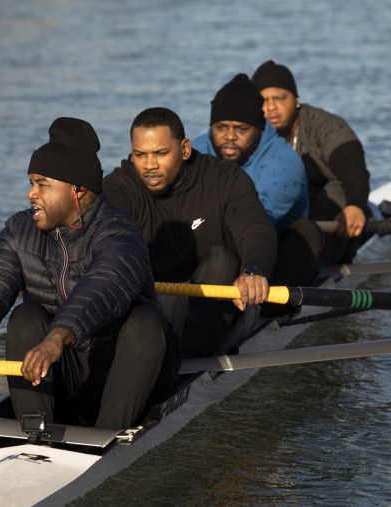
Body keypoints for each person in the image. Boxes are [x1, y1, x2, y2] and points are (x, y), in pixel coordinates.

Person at [0, 117, 178, 431]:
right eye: (31, 183)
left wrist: (57, 336)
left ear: (77, 189)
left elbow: (102, 284)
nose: (30, 194)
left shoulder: (119, 232)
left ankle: (106, 439)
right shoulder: (19, 230)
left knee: (147, 323)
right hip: (64, 369)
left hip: (126, 374)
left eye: (42, 184)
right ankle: (34, 435)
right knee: (25, 317)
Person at [103, 107, 276, 358]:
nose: (150, 165)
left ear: (184, 149)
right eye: (140, 155)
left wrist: (254, 271)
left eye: (160, 153)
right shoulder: (118, 188)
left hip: (218, 300)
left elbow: (256, 229)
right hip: (152, 303)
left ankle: (186, 365)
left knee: (221, 260)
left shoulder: (226, 179)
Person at [191, 73, 323, 286]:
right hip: (213, 253)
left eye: (241, 129)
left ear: (259, 129)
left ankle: (275, 311)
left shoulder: (284, 162)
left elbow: (252, 220)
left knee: (306, 232)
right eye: (221, 127)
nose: (230, 136)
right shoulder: (195, 151)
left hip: (272, 261)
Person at [252, 60, 371, 266]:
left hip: (330, 213)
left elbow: (352, 164)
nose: (271, 107)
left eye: (280, 98)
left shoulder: (325, 125)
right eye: (263, 100)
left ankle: (316, 266)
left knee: (337, 191)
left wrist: (355, 204)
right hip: (282, 214)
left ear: (296, 99)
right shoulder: (248, 134)